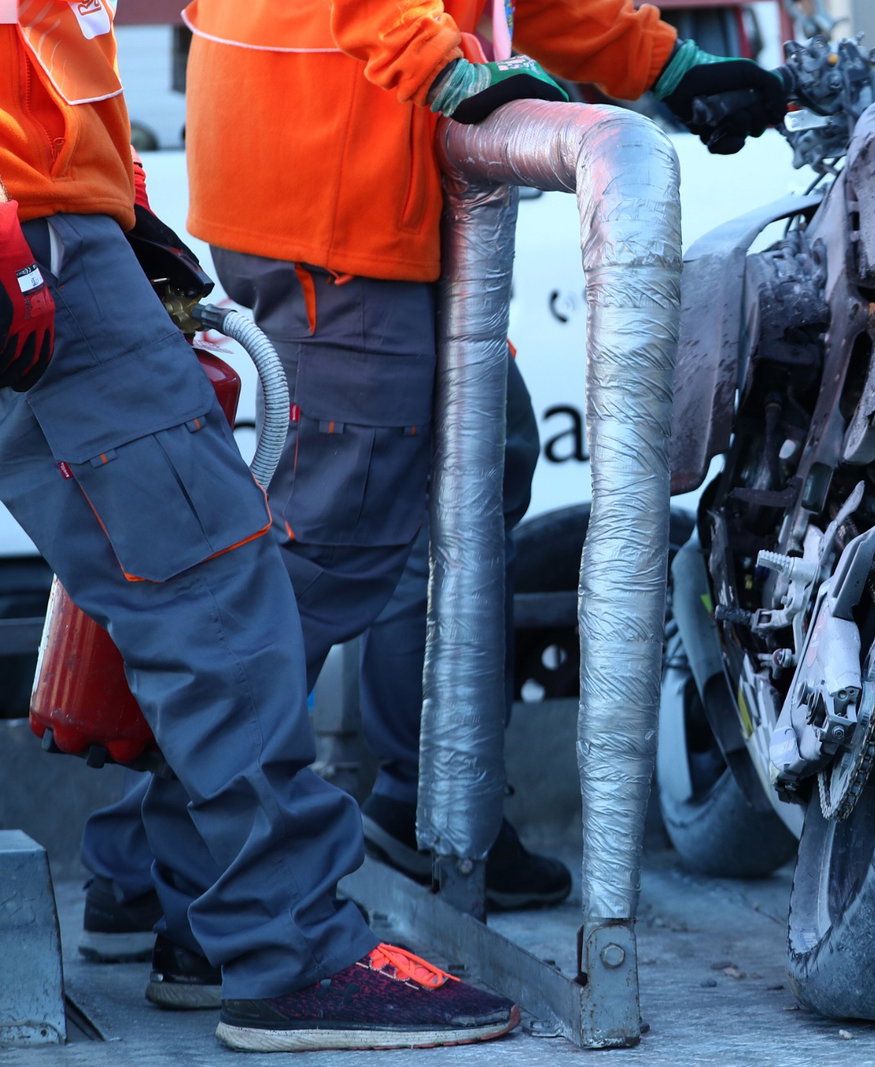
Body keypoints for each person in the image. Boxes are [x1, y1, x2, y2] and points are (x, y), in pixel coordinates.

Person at [78, 0, 787, 1003]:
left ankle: (211, 858)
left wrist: (662, 64)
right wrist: (450, 73)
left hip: (349, 172)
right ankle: (201, 900)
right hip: (340, 194)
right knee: (323, 554)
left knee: (466, 461)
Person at [0, 5, 520, 1053]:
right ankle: (290, 953)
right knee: (212, 587)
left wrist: (117, 197)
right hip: (36, 223)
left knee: (186, 577)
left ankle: (182, 897)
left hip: (61, 212)